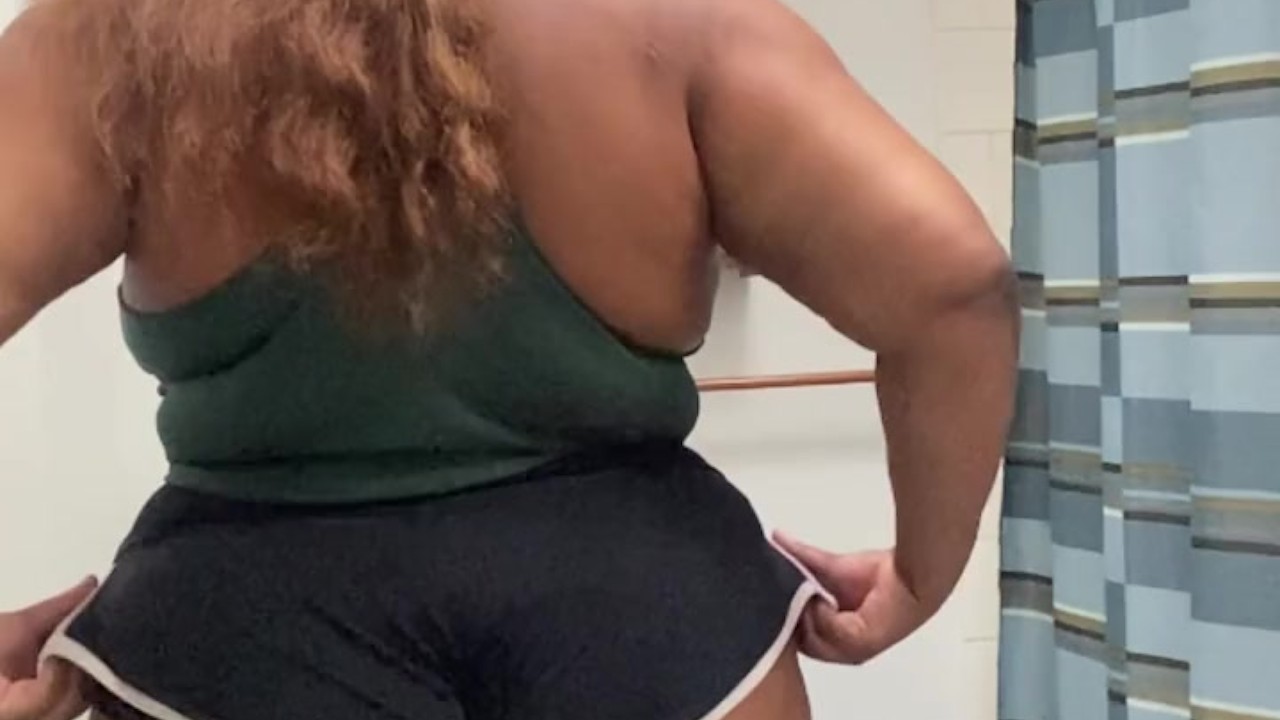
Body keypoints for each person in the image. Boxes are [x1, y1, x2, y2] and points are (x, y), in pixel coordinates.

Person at [0, 0, 1019, 716]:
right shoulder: (676, 21)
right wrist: (919, 575)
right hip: (660, 631)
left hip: (236, 637)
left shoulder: (120, 33)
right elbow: (952, 284)